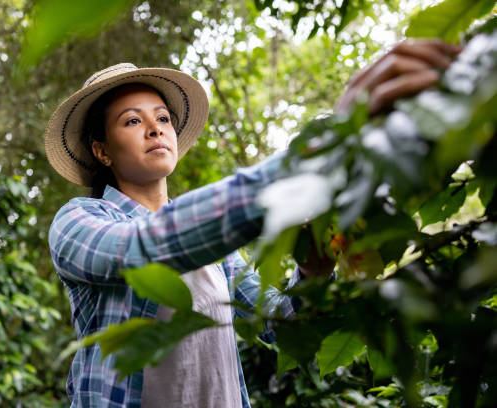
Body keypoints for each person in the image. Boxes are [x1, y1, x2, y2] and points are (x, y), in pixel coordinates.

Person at [45, 40, 461, 408]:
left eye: (163, 118)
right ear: (102, 151)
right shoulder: (80, 221)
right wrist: (322, 151)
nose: (155, 128)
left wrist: (312, 272)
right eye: (132, 121)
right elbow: (145, 247)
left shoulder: (216, 251)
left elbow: (277, 321)